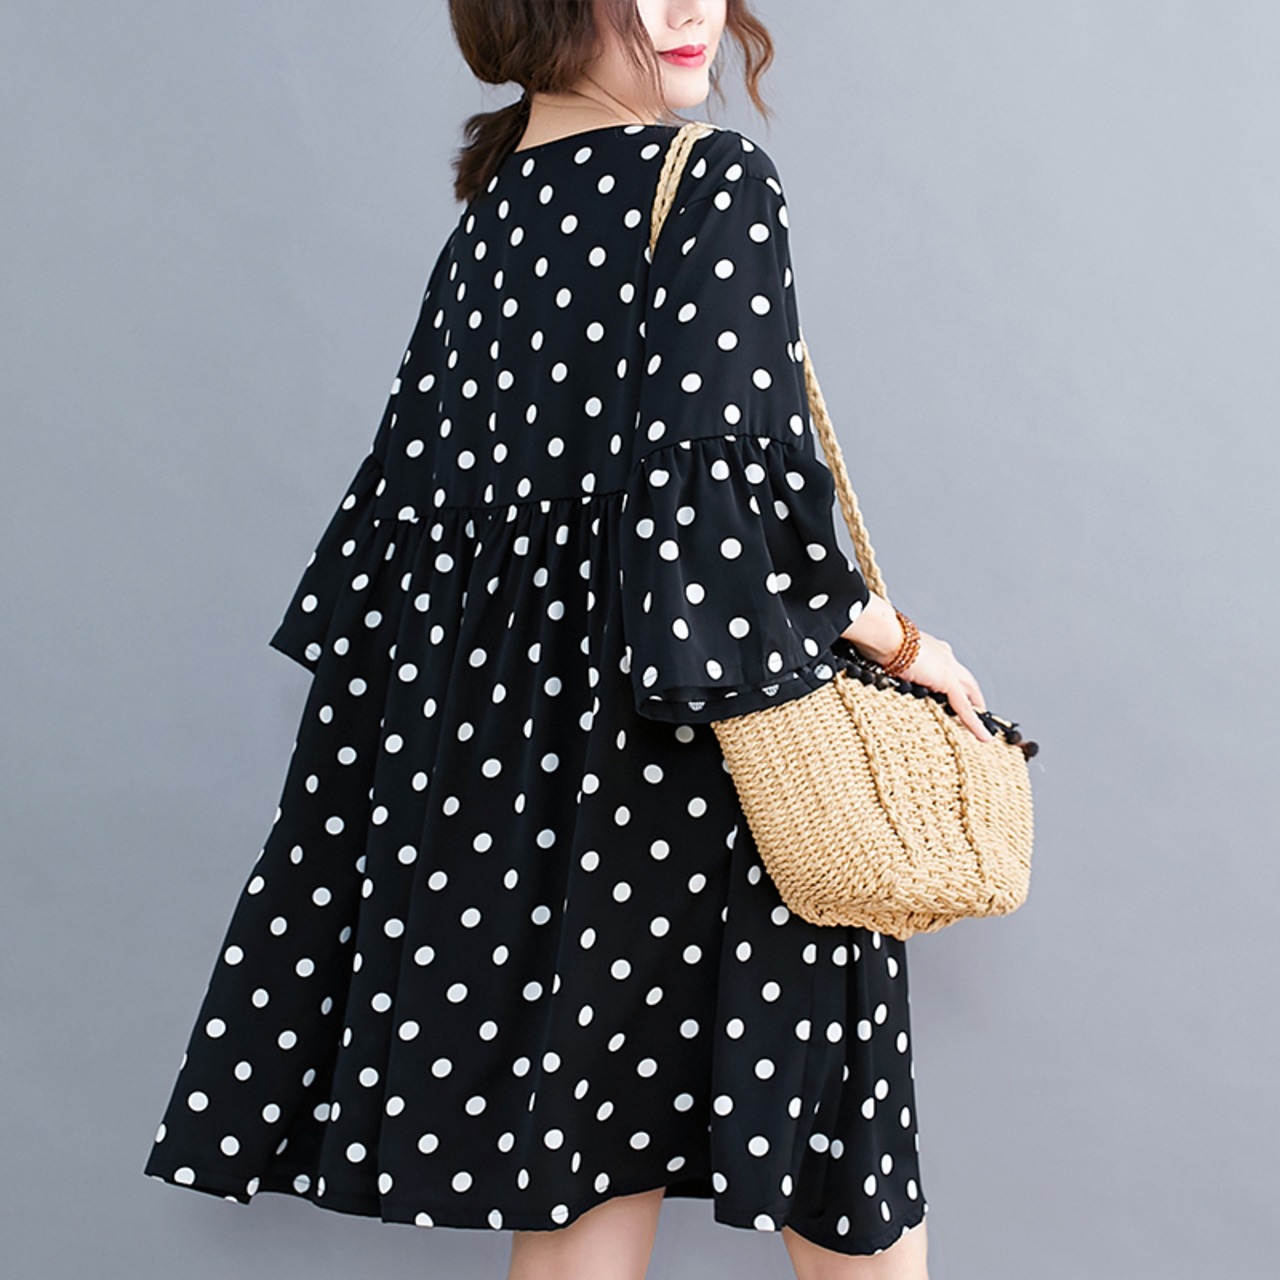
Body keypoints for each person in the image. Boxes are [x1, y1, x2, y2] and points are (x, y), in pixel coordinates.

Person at [142, 3, 994, 1278]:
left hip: (515, 784)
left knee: (580, 1181)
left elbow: (406, 548)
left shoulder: (488, 221)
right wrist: (899, 638)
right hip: (712, 759)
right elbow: (722, 500)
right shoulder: (708, 177)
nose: (688, 8)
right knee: (838, 1160)